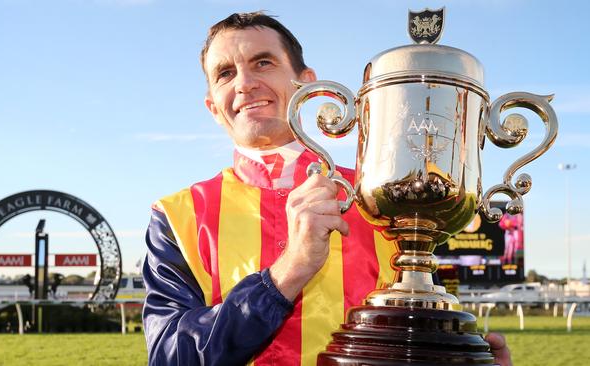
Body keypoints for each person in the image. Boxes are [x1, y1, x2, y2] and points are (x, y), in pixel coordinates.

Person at [142, 11, 512, 366]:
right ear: (212, 106)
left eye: (263, 62)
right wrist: (287, 273)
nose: (243, 83)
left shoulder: (383, 194)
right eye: (225, 73)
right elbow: (169, 357)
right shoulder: (177, 216)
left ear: (307, 84)